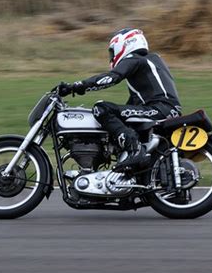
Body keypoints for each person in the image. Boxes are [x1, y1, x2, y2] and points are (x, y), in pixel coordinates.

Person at [56, 28, 182, 171]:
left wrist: (77, 87)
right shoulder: (151, 62)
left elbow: (111, 78)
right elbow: (133, 103)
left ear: (125, 44)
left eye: (112, 51)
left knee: (101, 108)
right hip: (165, 109)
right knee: (117, 118)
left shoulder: (135, 59)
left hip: (159, 109)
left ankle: (134, 150)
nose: (112, 56)